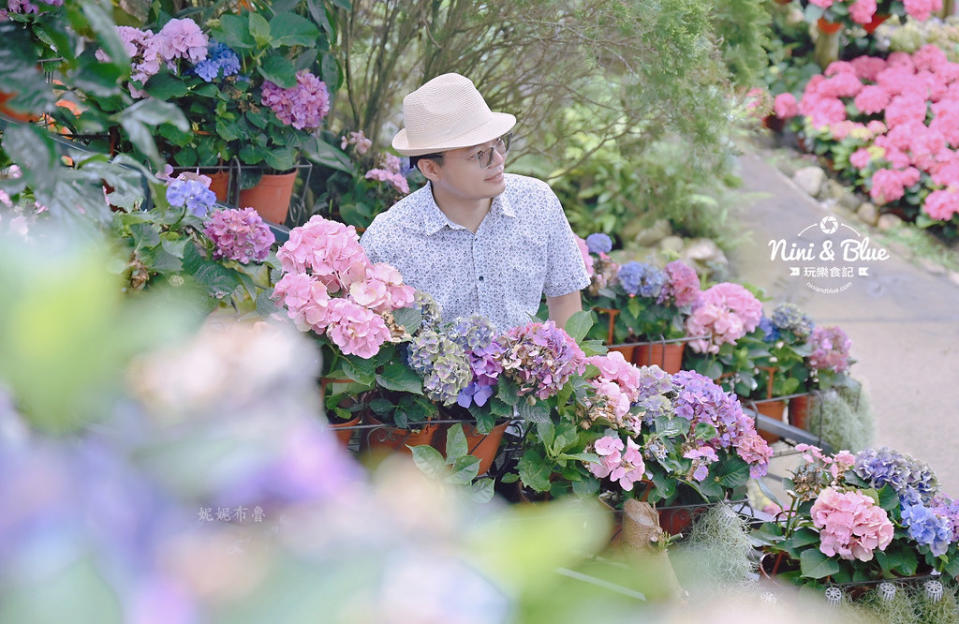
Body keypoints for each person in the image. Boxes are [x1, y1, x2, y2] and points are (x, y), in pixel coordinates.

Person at [359, 73, 589, 330]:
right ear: (431, 169)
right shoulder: (388, 239)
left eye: (499, 143)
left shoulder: (536, 202)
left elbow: (566, 297)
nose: (498, 160)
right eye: (479, 154)